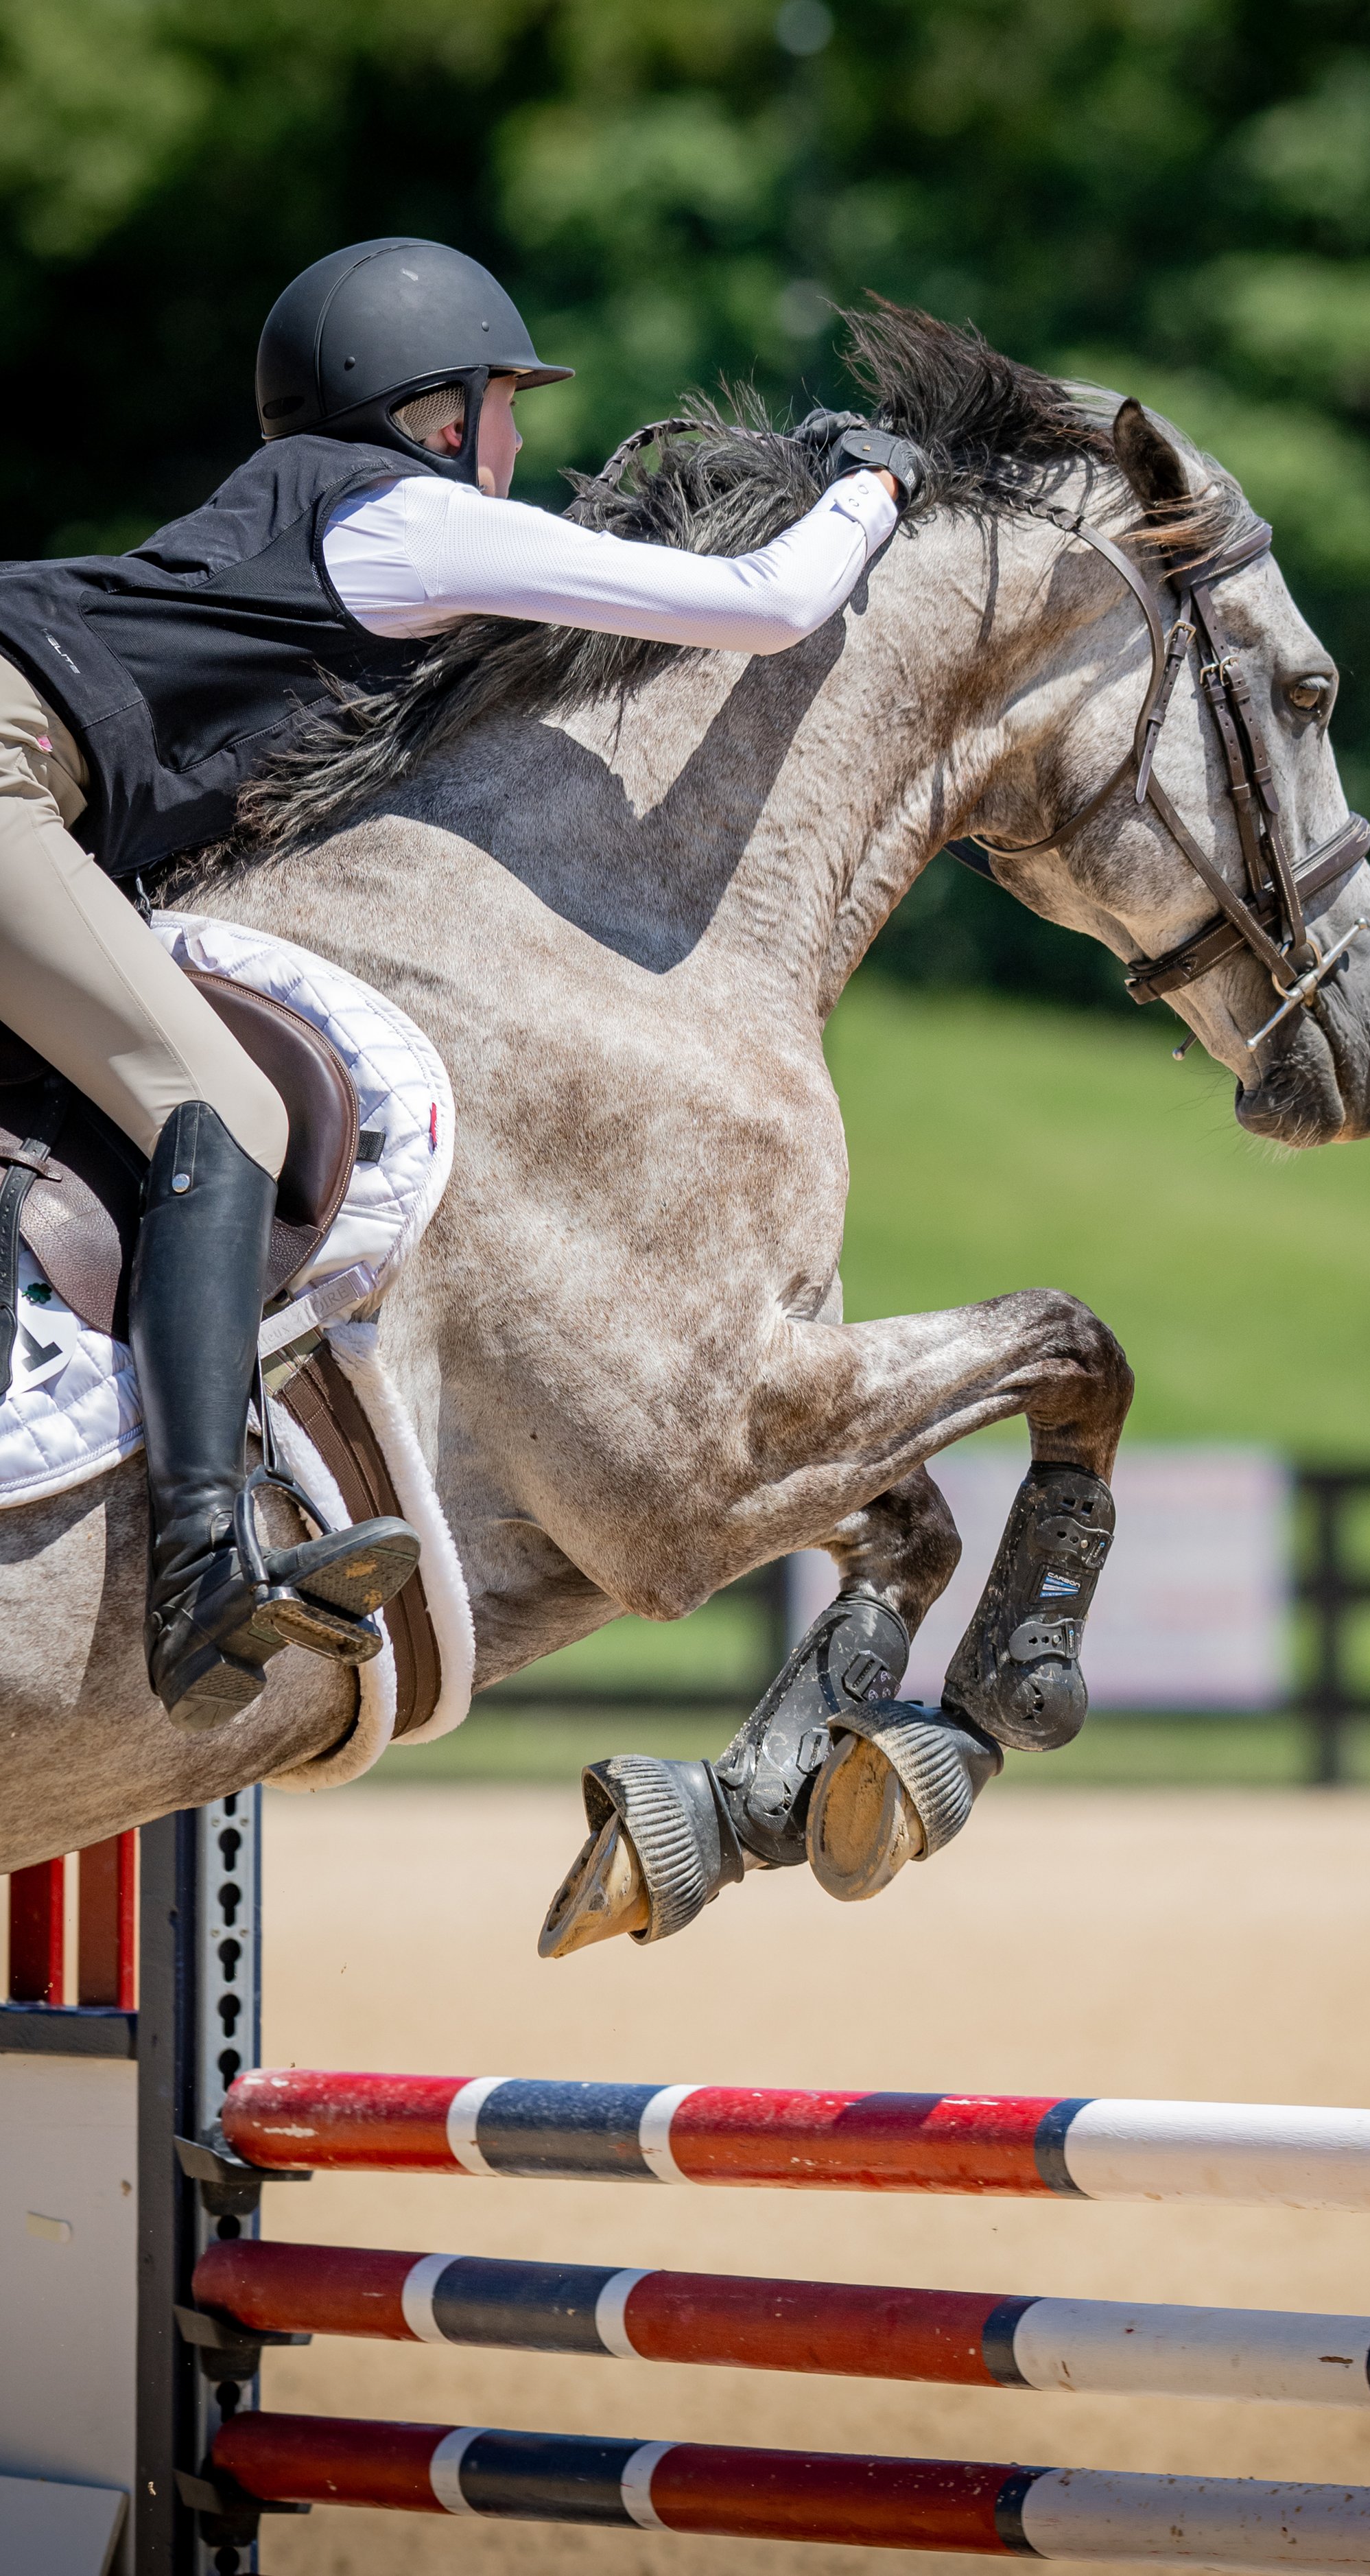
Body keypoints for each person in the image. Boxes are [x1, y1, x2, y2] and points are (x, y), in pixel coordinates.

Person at [0, 237, 923, 1734]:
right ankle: (198, 1561)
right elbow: (761, 605)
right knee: (217, 1113)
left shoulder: (297, 529)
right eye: (505, 406)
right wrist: (875, 488)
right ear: (436, 415)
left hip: (33, 768)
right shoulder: (405, 522)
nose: (517, 445)